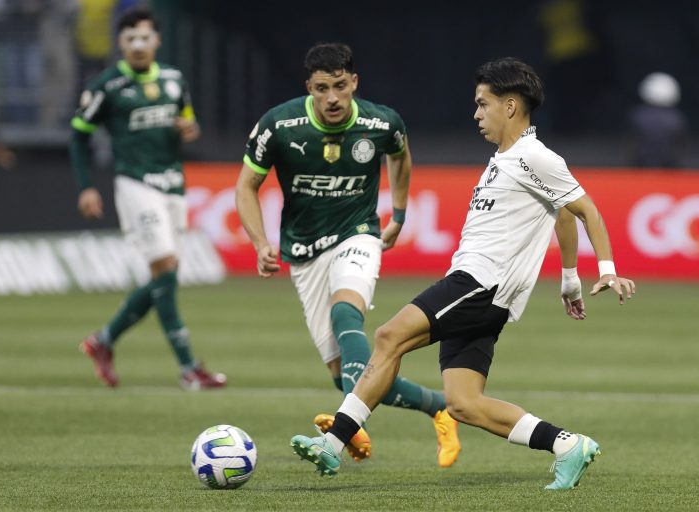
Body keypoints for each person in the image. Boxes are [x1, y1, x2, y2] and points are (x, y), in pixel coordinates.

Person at [290, 57, 636, 489]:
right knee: (463, 403)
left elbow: (586, 210)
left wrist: (606, 269)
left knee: (387, 337)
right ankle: (568, 445)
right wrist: (568, 280)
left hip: (479, 284)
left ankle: (333, 443)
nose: (476, 114)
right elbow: (562, 213)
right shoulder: (507, 158)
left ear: (510, 106)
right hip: (482, 292)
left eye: (482, 104)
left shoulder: (534, 156)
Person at [235, 42, 460, 467]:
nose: (333, 98)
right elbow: (246, 185)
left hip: (358, 234)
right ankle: (441, 407)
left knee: (346, 316)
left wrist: (397, 211)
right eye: (322, 88)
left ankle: (344, 430)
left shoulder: (381, 121)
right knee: (349, 376)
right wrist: (260, 242)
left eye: (340, 86)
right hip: (303, 252)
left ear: (354, 82)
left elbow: (401, 157)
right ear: (310, 87)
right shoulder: (280, 125)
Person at [69, 7, 226, 391]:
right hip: (136, 185)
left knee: (164, 278)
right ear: (120, 44)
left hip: (173, 184)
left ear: (156, 40)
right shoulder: (106, 86)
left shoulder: (174, 80)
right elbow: (78, 135)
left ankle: (103, 341)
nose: (138, 46)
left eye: (145, 38)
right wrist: (86, 186)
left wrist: (190, 128)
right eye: (130, 40)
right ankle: (189, 367)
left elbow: (188, 123)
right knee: (167, 266)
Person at [628, 72, 687, 168]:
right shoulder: (676, 118)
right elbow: (681, 146)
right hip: (668, 168)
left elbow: (630, 144)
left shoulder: (638, 115)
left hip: (642, 166)